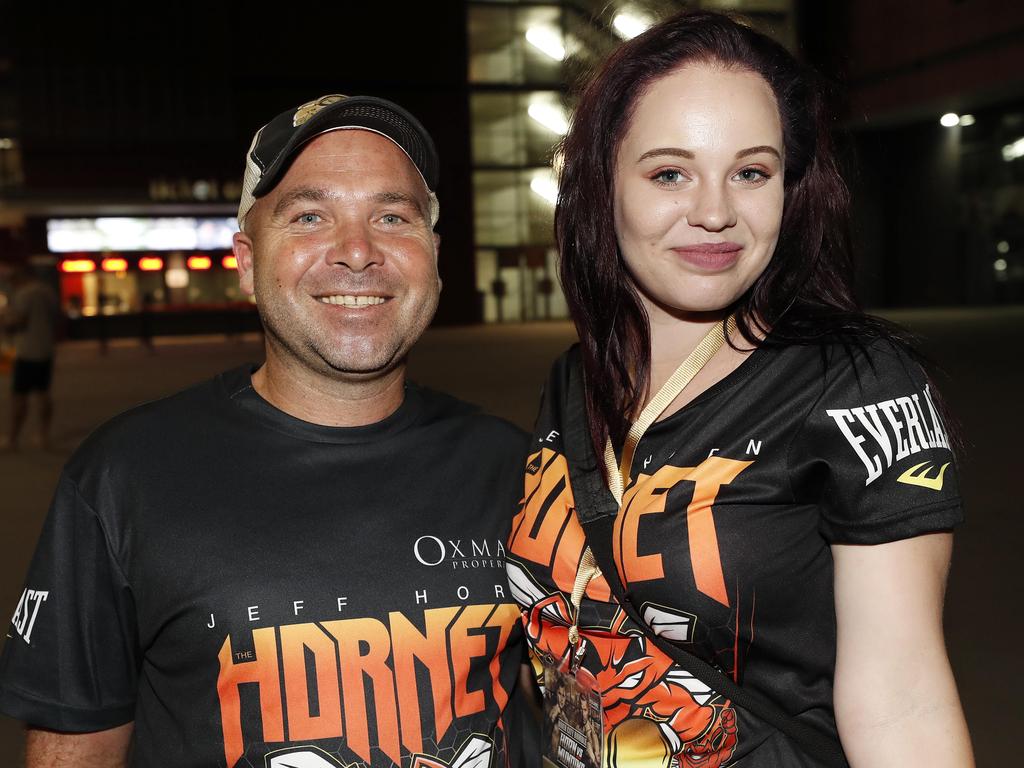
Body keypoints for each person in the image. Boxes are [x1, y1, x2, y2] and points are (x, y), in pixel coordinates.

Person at [0, 94, 535, 767]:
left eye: (392, 216)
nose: (358, 252)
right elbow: (77, 746)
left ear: (432, 255)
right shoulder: (123, 477)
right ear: (248, 262)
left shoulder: (519, 469)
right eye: (310, 216)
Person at [506, 11, 973, 768]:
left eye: (750, 172)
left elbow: (903, 699)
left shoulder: (855, 384)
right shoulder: (575, 380)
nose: (715, 212)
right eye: (669, 173)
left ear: (790, 189)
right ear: (602, 184)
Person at [1, 262, 59, 450]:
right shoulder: (47, 291)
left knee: (19, 396)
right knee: (43, 394)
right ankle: (43, 435)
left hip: (26, 351)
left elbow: (18, 321)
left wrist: (5, 318)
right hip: (45, 349)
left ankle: (13, 438)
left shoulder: (25, 294)